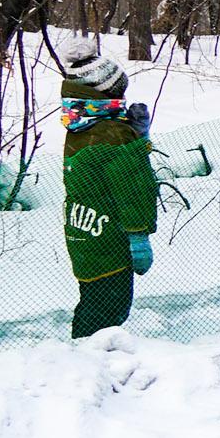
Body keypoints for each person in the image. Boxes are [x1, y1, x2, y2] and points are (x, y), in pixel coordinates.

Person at [59, 39, 159, 338]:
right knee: (110, 310)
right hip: (110, 240)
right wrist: (139, 236)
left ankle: (82, 359)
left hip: (84, 234)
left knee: (91, 303)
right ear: (107, 92)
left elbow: (103, 170)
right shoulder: (113, 133)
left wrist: (135, 137)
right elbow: (132, 188)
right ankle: (87, 365)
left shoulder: (80, 123)